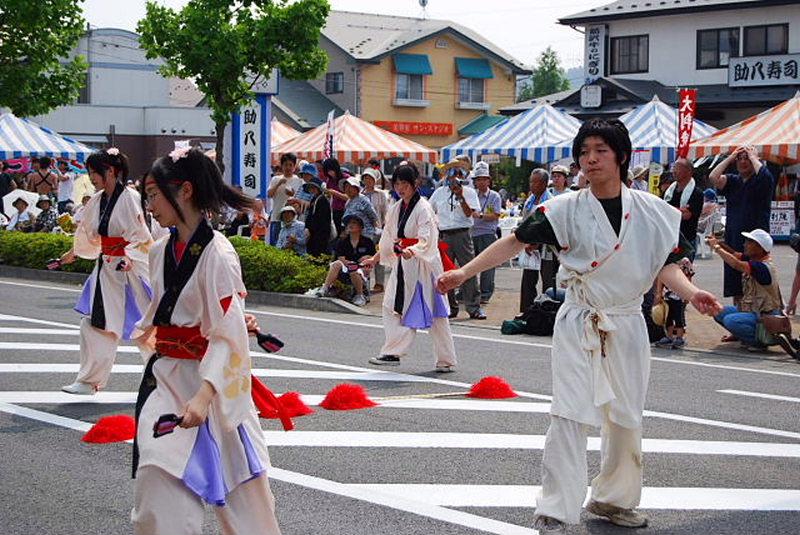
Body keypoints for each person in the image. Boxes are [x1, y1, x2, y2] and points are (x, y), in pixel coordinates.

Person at [437, 118, 721, 534]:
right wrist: (464, 273)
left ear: (621, 157)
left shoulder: (654, 212)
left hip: (627, 322)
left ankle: (613, 499)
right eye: (584, 152)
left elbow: (666, 264)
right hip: (579, 320)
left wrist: (692, 293)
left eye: (600, 150)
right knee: (568, 412)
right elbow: (516, 241)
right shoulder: (564, 207)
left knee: (626, 416)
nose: (590, 159)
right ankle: (555, 507)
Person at [132, 147, 282, 535]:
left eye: (153, 195)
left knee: (246, 505)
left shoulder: (219, 253)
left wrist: (203, 396)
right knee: (156, 477)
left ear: (184, 191)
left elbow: (227, 336)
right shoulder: (160, 249)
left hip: (212, 387)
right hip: (166, 378)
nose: (149, 205)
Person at [57, 148, 153, 395]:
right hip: (108, 269)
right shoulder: (99, 200)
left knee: (148, 327)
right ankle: (89, 381)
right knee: (95, 324)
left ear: (110, 171)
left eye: (93, 173)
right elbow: (89, 233)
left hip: (130, 270)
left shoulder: (130, 198)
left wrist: (129, 258)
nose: (91, 178)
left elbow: (141, 237)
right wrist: (73, 253)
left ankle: (164, 377)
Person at [364, 165, 458, 372]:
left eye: (404, 184)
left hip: (422, 265)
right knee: (391, 306)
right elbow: (388, 236)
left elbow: (427, 238)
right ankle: (393, 352)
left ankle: (445, 359)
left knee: (435, 314)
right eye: (397, 184)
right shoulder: (397, 208)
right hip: (404, 263)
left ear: (415, 184)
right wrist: (376, 257)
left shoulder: (423, 207)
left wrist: (413, 250)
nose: (400, 188)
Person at [709, 145, 775, 303]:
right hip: (733, 238)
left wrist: (754, 156)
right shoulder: (733, 180)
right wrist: (731, 157)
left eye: (747, 159)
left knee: (754, 283)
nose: (743, 162)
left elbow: (766, 177)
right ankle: (739, 316)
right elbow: (713, 177)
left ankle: (754, 320)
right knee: (736, 286)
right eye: (741, 159)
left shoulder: (761, 179)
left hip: (755, 242)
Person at [709, 229, 783, 351]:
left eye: (749, 242)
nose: (745, 245)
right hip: (753, 311)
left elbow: (736, 263)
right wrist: (719, 243)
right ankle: (741, 335)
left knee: (730, 320)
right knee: (717, 310)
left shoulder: (762, 267)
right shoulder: (755, 259)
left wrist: (716, 248)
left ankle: (759, 342)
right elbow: (735, 254)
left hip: (766, 316)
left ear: (759, 247)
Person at [429, 163, 485, 320]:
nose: (453, 177)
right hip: (444, 235)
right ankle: (449, 307)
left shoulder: (469, 192)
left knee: (468, 269)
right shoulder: (439, 193)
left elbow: (469, 214)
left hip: (462, 234)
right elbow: (429, 210)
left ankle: (474, 307)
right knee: (445, 271)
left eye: (457, 173)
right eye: (450, 174)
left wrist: (460, 196)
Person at [314, 215, 375, 306]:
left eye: (354, 223)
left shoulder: (367, 241)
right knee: (337, 264)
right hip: (347, 266)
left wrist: (367, 257)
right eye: (349, 223)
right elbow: (341, 258)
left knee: (353, 269)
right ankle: (324, 288)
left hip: (362, 267)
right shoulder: (342, 242)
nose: (350, 225)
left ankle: (360, 296)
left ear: (360, 227)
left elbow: (373, 257)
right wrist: (348, 263)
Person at [519, 169, 553, 313]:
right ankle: (527, 311)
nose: (532, 185)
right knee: (528, 281)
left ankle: (548, 312)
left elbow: (549, 225)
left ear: (544, 184)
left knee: (548, 282)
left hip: (546, 247)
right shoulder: (530, 200)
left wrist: (537, 242)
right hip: (530, 245)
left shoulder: (550, 200)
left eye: (535, 182)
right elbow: (525, 220)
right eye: (530, 182)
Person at [470, 162, 502, 304]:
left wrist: (481, 216)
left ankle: (486, 293)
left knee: (487, 265)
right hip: (472, 233)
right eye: (478, 179)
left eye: (484, 179)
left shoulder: (494, 196)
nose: (481, 182)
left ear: (489, 180)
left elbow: (496, 215)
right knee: (470, 265)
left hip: (487, 234)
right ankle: (470, 292)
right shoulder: (472, 195)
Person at [664, 158, 703, 261]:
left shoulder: (696, 193)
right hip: (670, 239)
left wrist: (669, 210)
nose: (674, 171)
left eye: (678, 168)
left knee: (685, 274)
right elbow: (663, 210)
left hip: (687, 240)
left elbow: (686, 215)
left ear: (689, 171)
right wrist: (679, 210)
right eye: (674, 168)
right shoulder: (670, 191)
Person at [654, 258, 694, 349]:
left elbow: (688, 278)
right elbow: (661, 277)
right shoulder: (666, 260)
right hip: (667, 295)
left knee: (679, 317)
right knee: (668, 317)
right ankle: (669, 336)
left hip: (680, 295)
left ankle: (679, 338)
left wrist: (688, 294)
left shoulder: (685, 262)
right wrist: (659, 293)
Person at [362, 167, 389, 292]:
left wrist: (385, 227)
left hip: (378, 230)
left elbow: (385, 212)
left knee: (379, 256)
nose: (368, 181)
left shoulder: (381, 195)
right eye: (365, 178)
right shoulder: (360, 194)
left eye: (370, 178)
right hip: (363, 231)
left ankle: (379, 283)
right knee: (365, 256)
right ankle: (364, 282)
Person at [267, 153, 302, 245]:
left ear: (294, 167)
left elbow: (299, 198)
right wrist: (278, 184)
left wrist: (293, 194)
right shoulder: (275, 179)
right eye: (286, 165)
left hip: (293, 220)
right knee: (275, 245)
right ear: (282, 166)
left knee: (290, 246)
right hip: (277, 217)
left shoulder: (298, 180)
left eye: (291, 165)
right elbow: (269, 194)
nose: (288, 167)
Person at [302, 175, 332, 256]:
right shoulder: (315, 199)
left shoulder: (322, 200)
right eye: (310, 188)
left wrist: (310, 228)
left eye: (314, 187)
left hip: (319, 235)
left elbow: (321, 220)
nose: (312, 190)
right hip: (314, 234)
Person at [342, 176, 378, 242]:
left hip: (366, 235)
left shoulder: (363, 200)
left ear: (357, 189)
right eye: (346, 187)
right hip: (353, 236)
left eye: (351, 187)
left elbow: (373, 217)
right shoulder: (348, 202)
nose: (348, 189)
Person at [321, 158, 349, 233]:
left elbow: (349, 197)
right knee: (339, 231)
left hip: (346, 209)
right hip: (335, 210)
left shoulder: (346, 178)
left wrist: (334, 193)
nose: (330, 173)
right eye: (327, 171)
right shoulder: (329, 180)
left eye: (331, 170)